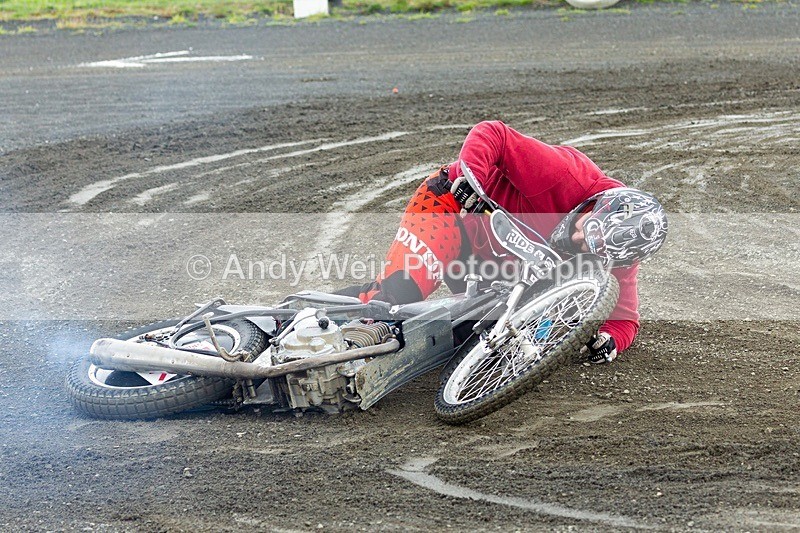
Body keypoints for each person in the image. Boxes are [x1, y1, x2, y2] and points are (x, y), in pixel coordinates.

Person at [343, 121, 667, 364]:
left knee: (457, 340)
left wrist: (610, 340)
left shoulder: (620, 251)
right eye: (588, 228)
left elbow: (624, 318)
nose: (579, 239)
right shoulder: (566, 174)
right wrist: (473, 179)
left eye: (593, 247)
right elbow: (493, 132)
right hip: (454, 206)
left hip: (493, 264)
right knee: (398, 296)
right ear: (597, 205)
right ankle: (313, 318)